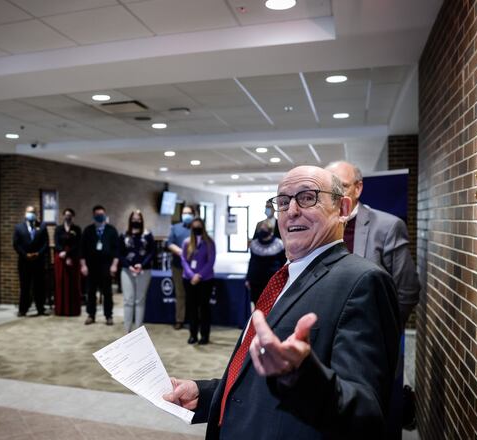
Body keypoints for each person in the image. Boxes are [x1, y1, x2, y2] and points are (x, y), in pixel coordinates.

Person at [163, 166, 400, 439]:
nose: (292, 211)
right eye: (284, 201)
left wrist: (300, 375)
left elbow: (365, 413)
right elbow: (255, 380)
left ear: (343, 209)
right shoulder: (284, 277)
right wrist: (205, 395)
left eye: (308, 197)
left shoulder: (364, 282)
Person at [325, 160, 421, 329]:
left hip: (368, 331)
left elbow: (407, 289)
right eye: (330, 189)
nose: (336, 195)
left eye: (343, 186)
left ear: (358, 188)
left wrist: (385, 331)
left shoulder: (387, 227)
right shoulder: (317, 227)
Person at [80, 205, 119, 326]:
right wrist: (83, 266)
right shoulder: (88, 230)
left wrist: (114, 265)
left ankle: (108, 316)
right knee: (91, 292)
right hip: (91, 266)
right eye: (97, 215)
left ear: (105, 215)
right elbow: (82, 250)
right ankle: (91, 315)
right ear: (93, 216)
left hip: (106, 265)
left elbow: (116, 250)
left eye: (102, 214)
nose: (100, 216)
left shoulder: (111, 230)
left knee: (107, 292)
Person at [118, 210, 155, 333]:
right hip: (127, 270)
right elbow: (120, 253)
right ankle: (127, 331)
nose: (136, 221)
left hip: (144, 271)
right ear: (130, 220)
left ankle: (138, 331)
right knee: (128, 300)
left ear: (142, 220)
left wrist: (141, 265)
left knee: (140, 300)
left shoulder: (147, 235)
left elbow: (152, 252)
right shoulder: (124, 235)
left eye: (138, 219)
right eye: (134, 219)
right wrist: (129, 266)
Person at [180, 217, 215, 345]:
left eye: (199, 226)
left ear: (203, 227)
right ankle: (193, 335)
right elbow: (184, 260)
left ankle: (204, 335)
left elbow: (211, 261)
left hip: (205, 280)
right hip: (189, 280)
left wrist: (199, 275)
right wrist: (191, 275)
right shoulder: (186, 242)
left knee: (204, 308)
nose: (196, 229)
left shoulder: (209, 242)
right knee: (192, 308)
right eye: (194, 227)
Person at [12, 206, 48, 317]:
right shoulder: (19, 227)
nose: (30, 214)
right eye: (29, 212)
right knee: (25, 287)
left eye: (32, 212)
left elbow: (45, 243)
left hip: (38, 261)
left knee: (39, 286)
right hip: (24, 262)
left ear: (36, 214)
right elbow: (16, 244)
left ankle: (40, 308)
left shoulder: (42, 226)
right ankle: (23, 309)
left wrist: (38, 253)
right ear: (25, 213)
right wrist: (25, 254)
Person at [166, 206, 195, 330]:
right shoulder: (175, 227)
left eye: (189, 213)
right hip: (178, 266)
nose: (186, 215)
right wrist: (180, 251)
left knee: (194, 294)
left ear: (193, 215)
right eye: (184, 213)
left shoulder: (197, 227)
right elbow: (169, 243)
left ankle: (194, 320)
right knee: (180, 294)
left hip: (194, 268)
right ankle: (180, 319)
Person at [245, 220, 286, 304]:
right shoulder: (254, 244)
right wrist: (248, 278)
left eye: (265, 229)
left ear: (270, 230)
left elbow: (283, 263)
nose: (262, 231)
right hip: (256, 281)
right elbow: (252, 262)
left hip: (273, 281)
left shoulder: (279, 244)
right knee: (257, 303)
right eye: (261, 229)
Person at [54, 209, 82, 316]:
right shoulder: (58, 229)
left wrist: (68, 254)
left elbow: (78, 244)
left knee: (73, 283)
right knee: (60, 282)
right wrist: (62, 252)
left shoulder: (77, 229)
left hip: (73, 258)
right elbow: (56, 242)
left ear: (73, 216)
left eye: (70, 215)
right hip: (60, 258)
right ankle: (61, 309)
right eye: (66, 215)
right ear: (63, 216)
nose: (68, 217)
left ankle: (72, 310)